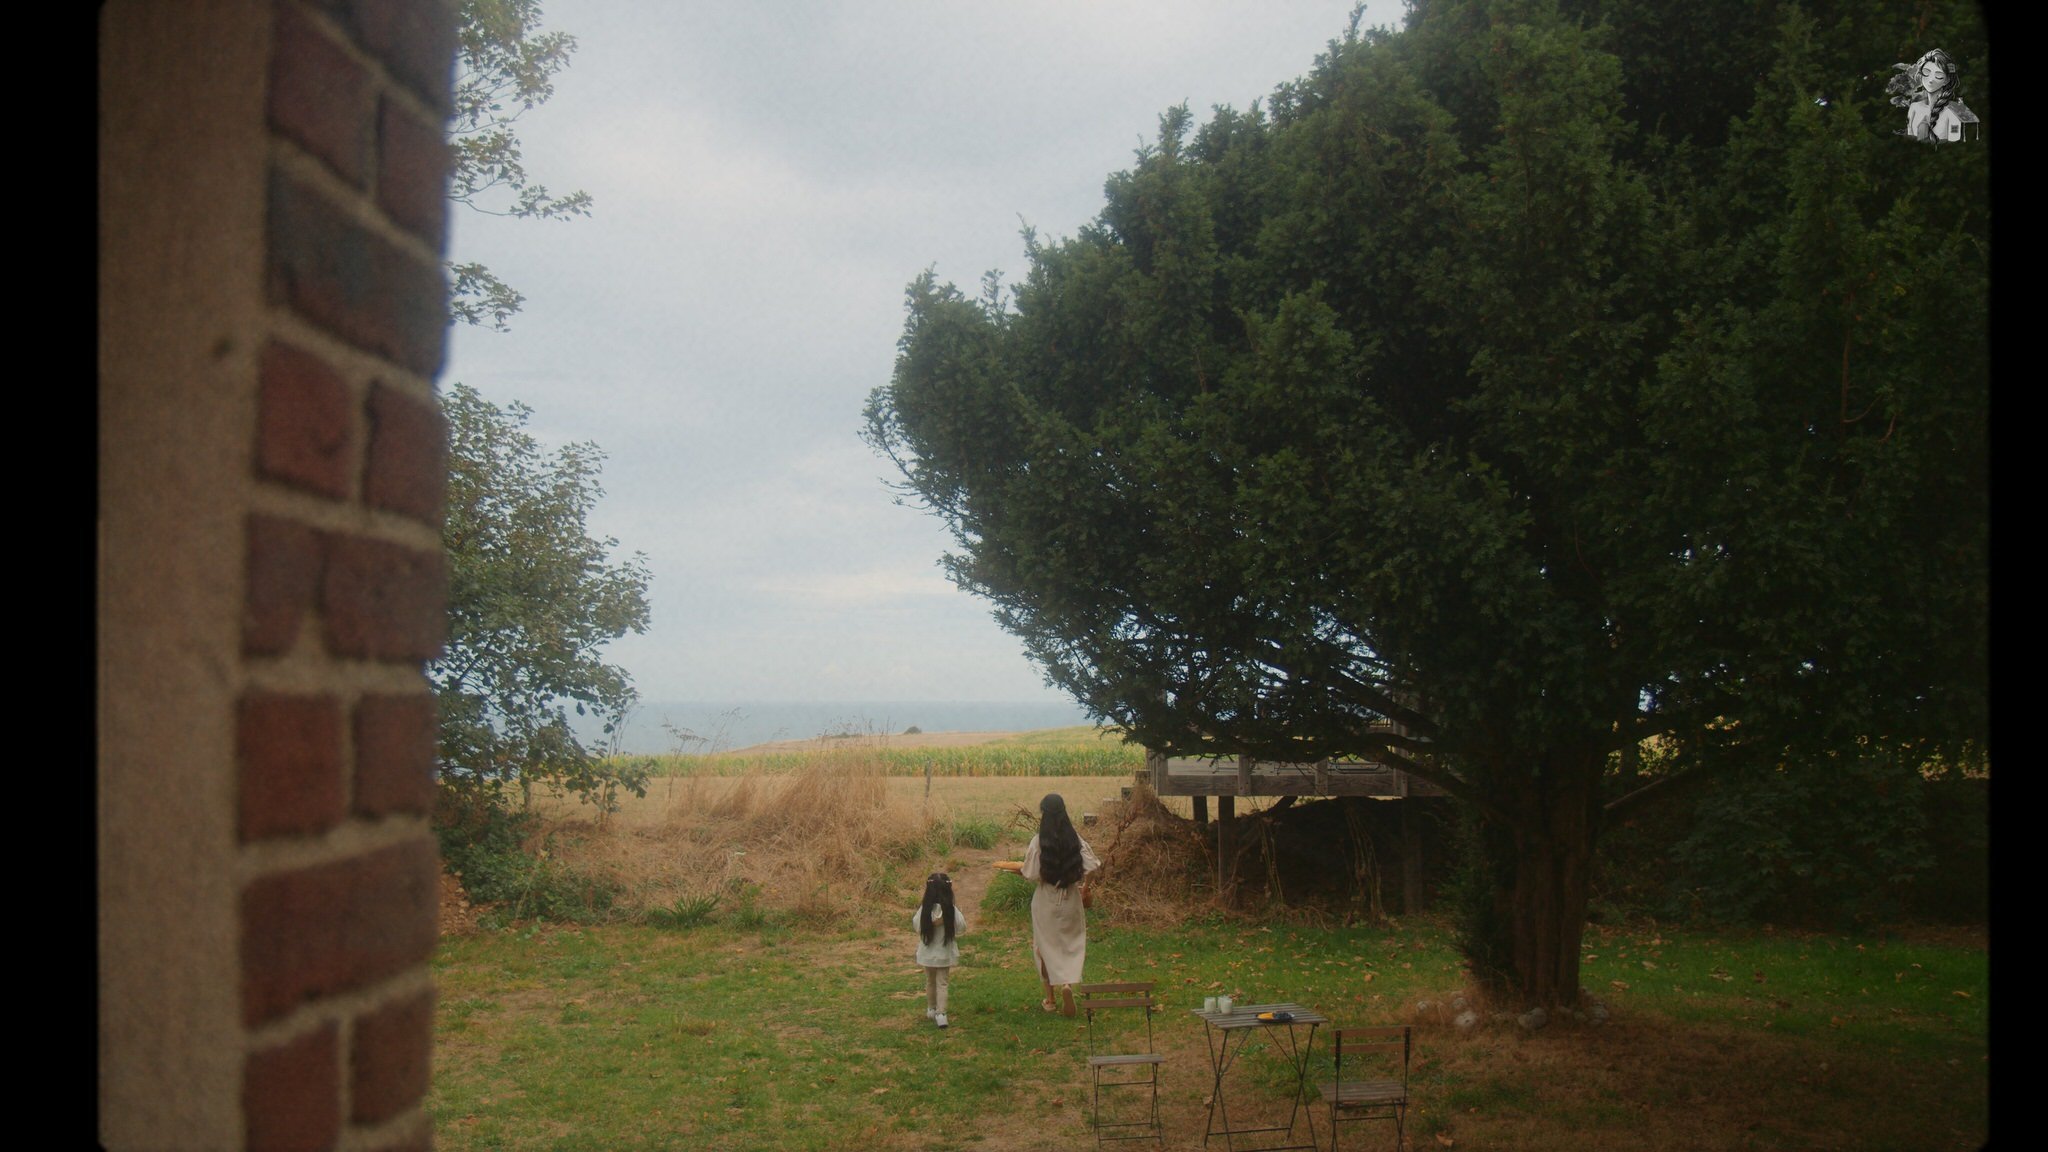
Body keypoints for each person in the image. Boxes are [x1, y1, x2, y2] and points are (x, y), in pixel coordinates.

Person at [1019, 793, 1101, 1016]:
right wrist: (1085, 888)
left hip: (1045, 898)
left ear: (1044, 813)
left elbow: (1030, 874)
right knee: (1071, 944)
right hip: (1071, 897)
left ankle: (1050, 998)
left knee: (1044, 946)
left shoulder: (1038, 841)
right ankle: (1067, 984)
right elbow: (1092, 867)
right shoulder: (1075, 839)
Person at [911, 872, 967, 1028]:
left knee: (930, 981)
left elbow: (916, 926)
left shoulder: (925, 909)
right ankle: (941, 1014)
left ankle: (931, 1008)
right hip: (944, 953)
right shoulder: (950, 909)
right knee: (942, 983)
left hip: (927, 953)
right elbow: (962, 926)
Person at [1887, 48, 1978, 142]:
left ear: (1946, 80)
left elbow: (1953, 142)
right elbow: (1911, 143)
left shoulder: (1953, 112)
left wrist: (1926, 134)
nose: (1931, 80)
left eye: (1938, 75)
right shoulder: (1914, 108)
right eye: (1926, 72)